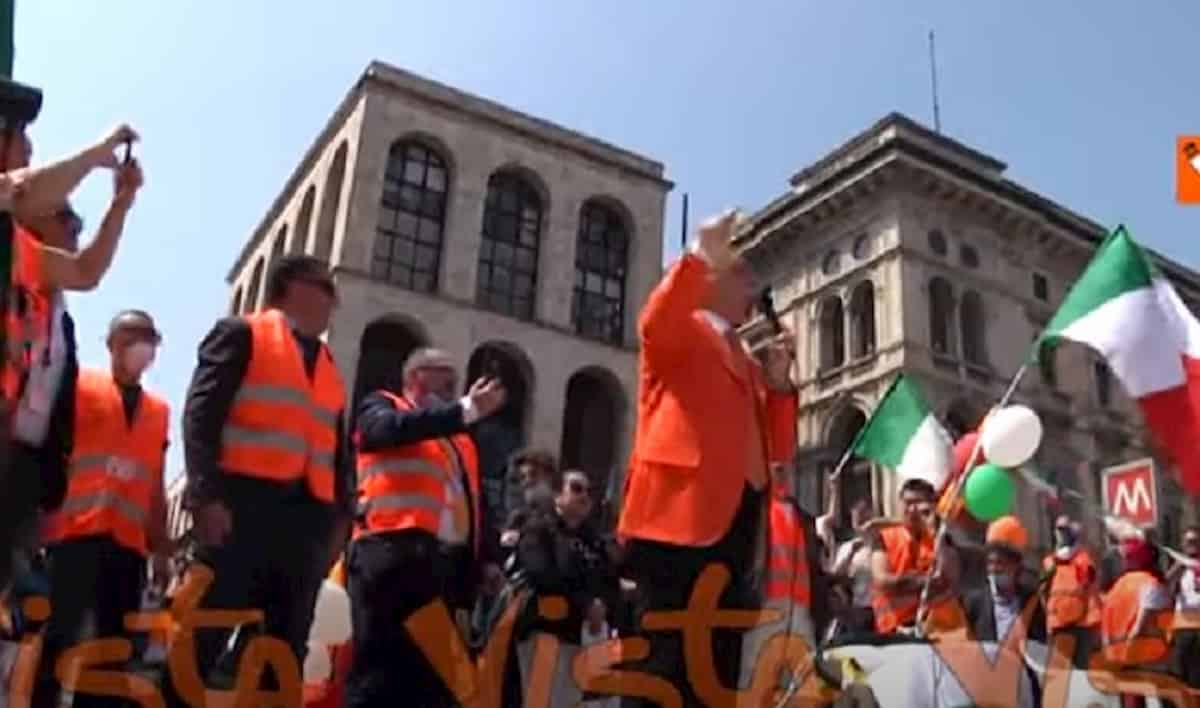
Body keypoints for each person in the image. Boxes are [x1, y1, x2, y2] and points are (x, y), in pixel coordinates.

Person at [616, 209, 798, 707]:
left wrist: (780, 388)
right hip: (678, 524)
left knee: (716, 668)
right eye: (741, 271)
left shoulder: (741, 353)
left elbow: (775, 449)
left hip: (735, 530)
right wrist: (701, 252)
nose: (752, 285)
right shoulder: (683, 328)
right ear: (710, 278)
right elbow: (654, 319)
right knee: (662, 666)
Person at [182, 255, 353, 690]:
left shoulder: (328, 365)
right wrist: (206, 496)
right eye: (327, 290)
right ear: (294, 287)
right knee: (204, 639)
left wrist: (340, 518)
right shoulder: (243, 334)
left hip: (304, 527)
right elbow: (202, 415)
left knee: (284, 651)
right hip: (241, 512)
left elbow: (337, 451)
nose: (334, 302)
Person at [0, 125, 143, 594]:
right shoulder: (10, 231)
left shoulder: (51, 304)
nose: (75, 231)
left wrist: (121, 204)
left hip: (19, 469)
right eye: (68, 220)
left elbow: (87, 271)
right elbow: (20, 191)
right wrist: (98, 153)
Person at [345, 347, 506, 707]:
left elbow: (477, 504)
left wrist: (488, 558)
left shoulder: (459, 441)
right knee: (379, 678)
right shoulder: (382, 407)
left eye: (456, 382)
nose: (455, 388)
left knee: (436, 685)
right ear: (416, 378)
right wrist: (465, 409)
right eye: (445, 378)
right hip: (390, 559)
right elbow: (384, 432)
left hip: (443, 573)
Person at [31, 310, 169, 708]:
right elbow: (52, 453)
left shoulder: (158, 412)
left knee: (111, 651)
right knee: (57, 641)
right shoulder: (79, 388)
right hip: (74, 534)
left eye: (148, 338)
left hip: (126, 546)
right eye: (131, 337)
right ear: (111, 344)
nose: (140, 347)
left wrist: (159, 545)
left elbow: (155, 484)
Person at [512, 469, 622, 705]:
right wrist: (585, 603)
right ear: (557, 495)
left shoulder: (593, 540)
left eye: (589, 491)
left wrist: (603, 604)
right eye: (576, 488)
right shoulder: (538, 530)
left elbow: (610, 579)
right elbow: (543, 574)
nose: (584, 496)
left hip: (580, 639)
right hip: (545, 632)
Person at [739, 462, 829, 692]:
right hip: (764, 607)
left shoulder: (800, 515)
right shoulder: (754, 510)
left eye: (784, 468)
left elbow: (813, 560)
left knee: (801, 683)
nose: (783, 472)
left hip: (800, 610)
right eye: (776, 468)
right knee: (757, 680)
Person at [869, 478, 964, 636]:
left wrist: (935, 532)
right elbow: (882, 581)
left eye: (918, 503)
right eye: (907, 503)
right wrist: (927, 580)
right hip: (894, 630)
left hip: (937, 630)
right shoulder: (883, 538)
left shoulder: (941, 540)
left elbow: (950, 579)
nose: (912, 509)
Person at [1101, 537, 1174, 708]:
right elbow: (1140, 625)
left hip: (1119, 654)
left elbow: (1106, 619)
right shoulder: (1149, 583)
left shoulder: (1118, 585)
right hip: (1147, 653)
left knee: (1131, 700)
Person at [963, 516, 1046, 644]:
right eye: (990, 562)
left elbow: (1040, 646)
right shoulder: (974, 603)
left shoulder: (1031, 601)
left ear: (1016, 565)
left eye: (1001, 563)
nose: (994, 569)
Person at [1042, 514, 1101, 669]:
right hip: (1058, 626)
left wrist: (1094, 625)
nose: (1062, 534)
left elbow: (1091, 592)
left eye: (1065, 530)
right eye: (1059, 530)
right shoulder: (1050, 562)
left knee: (1079, 672)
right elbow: (1042, 593)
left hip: (1081, 626)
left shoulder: (1084, 561)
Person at [829, 497, 876, 636]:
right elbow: (835, 577)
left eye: (864, 517)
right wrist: (850, 554)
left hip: (880, 609)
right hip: (857, 609)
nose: (861, 523)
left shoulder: (883, 543)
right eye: (856, 519)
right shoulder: (847, 547)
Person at [1169, 526, 1200, 689]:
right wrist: (1178, 566)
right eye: (1189, 542)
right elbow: (1163, 587)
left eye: (1195, 541)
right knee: (1180, 673)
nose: (1192, 545)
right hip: (1183, 626)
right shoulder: (1179, 567)